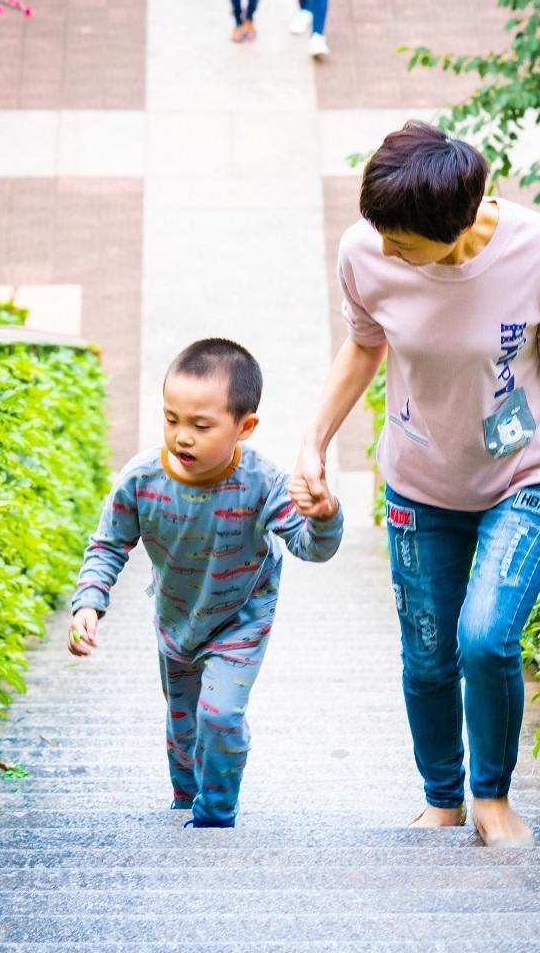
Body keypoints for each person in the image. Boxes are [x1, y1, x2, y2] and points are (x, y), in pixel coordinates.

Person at [290, 122, 540, 848]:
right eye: (379, 230)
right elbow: (363, 342)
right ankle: (442, 797)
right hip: (419, 480)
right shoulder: (365, 250)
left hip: (529, 473)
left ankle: (491, 795)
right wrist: (313, 441)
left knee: (484, 639)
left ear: (460, 224)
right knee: (428, 649)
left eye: (402, 240)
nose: (385, 249)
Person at [68, 338, 343, 828]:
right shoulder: (141, 480)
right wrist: (89, 603)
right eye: (171, 419)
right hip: (177, 616)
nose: (182, 437)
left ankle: (216, 814)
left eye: (201, 425)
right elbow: (109, 544)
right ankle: (186, 797)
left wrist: (324, 517)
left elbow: (310, 548)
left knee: (219, 715)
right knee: (183, 725)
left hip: (243, 616)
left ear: (245, 427)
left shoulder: (264, 483)